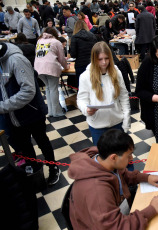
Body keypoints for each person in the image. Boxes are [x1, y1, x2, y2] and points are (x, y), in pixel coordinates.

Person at [69, 129, 158, 229]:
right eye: (128, 155)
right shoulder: (97, 191)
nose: (131, 158)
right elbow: (117, 227)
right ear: (113, 157)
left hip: (112, 213)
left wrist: (147, 177)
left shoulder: (102, 160)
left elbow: (122, 175)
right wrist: (152, 209)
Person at [0, 42, 61, 186]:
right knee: (26, 146)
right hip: (14, 116)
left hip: (32, 112)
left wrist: (3, 106)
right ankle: (34, 171)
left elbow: (28, 91)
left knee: (42, 141)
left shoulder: (16, 60)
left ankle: (53, 168)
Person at [77, 41, 130, 145]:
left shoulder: (116, 72)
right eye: (100, 59)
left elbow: (124, 96)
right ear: (94, 59)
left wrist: (126, 120)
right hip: (97, 126)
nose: (104, 62)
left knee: (121, 157)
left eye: (106, 58)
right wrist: (86, 110)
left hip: (117, 122)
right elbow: (81, 99)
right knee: (103, 158)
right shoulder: (85, 76)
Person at [34, 27, 68, 117]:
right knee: (53, 89)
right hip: (51, 67)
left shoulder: (39, 41)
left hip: (38, 68)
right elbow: (61, 58)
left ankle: (50, 111)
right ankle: (56, 112)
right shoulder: (56, 42)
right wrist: (66, 66)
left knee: (48, 88)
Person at [70, 20, 97, 88]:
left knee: (82, 86)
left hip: (80, 64)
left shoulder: (74, 37)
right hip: (92, 63)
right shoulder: (92, 36)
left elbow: (73, 54)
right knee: (93, 85)